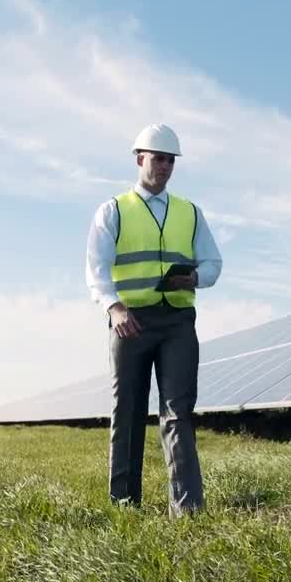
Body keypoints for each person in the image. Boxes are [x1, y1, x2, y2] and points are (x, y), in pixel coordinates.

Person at [84, 123, 223, 517]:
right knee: (127, 410)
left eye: (170, 160)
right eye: (157, 158)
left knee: (178, 411)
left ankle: (187, 510)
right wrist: (114, 308)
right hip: (130, 323)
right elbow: (97, 268)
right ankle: (125, 506)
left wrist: (195, 277)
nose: (163, 167)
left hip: (177, 322)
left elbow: (213, 262)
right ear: (139, 158)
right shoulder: (113, 210)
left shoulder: (189, 213)